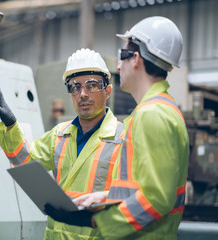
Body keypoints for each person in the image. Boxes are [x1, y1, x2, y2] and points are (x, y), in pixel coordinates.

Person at [45, 16, 190, 240]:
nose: (118, 65)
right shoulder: (159, 110)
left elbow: (156, 199)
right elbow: (141, 188)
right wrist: (103, 198)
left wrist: (94, 220)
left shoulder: (152, 115)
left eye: (122, 56)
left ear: (136, 59)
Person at [0, 48, 124, 239]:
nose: (82, 94)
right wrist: (10, 124)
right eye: (75, 87)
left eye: (91, 85)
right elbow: (24, 160)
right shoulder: (60, 134)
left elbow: (130, 200)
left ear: (107, 91)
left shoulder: (122, 138)